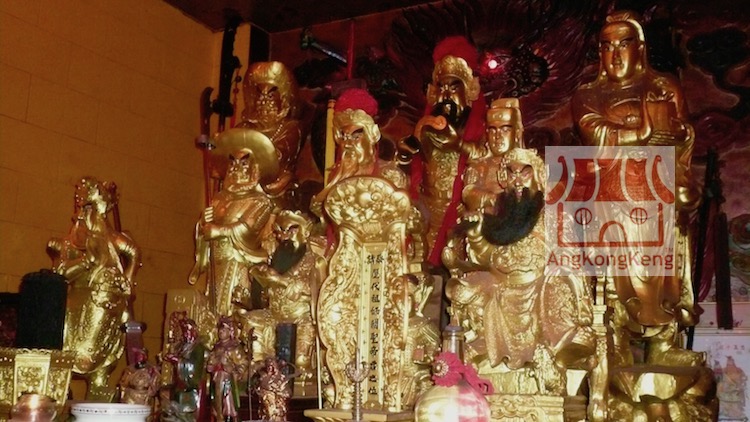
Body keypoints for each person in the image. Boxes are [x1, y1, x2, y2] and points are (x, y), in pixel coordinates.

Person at [571, 11, 715, 421]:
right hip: (612, 199)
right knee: (614, 282)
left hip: (657, 195)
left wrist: (675, 138)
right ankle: (614, 347)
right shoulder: (587, 94)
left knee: (663, 275)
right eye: (606, 46)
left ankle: (664, 343)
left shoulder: (662, 86)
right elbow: (596, 138)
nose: (615, 54)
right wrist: (645, 130)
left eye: (624, 44)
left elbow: (681, 135)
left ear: (640, 49)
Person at [443, 148, 596, 395]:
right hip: (502, 285)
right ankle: (479, 354)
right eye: (511, 173)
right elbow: (487, 258)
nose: (517, 180)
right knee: (468, 288)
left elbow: (569, 257)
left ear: (538, 177)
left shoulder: (553, 214)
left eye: (524, 173)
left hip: (539, 285)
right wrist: (476, 235)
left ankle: (550, 355)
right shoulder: (498, 215)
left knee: (556, 284)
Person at [47, 176, 141, 401]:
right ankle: (58, 405)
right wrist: (84, 263)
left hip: (105, 304)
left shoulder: (112, 237)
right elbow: (60, 272)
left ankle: (95, 409)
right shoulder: (73, 240)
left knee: (100, 367)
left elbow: (133, 252)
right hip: (75, 304)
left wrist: (127, 280)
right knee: (62, 362)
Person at [398, 36, 487, 266]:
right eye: (442, 87)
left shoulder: (482, 127)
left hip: (461, 210)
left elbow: (488, 160)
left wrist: (458, 144)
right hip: (427, 209)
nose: (446, 95)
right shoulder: (427, 128)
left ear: (469, 90)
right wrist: (405, 155)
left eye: (454, 87)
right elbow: (412, 165)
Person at [189, 128, 280, 317]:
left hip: (239, 259)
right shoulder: (219, 198)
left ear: (254, 167)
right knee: (212, 303)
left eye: (243, 163)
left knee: (232, 305)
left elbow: (247, 228)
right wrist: (204, 224)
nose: (237, 168)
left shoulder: (260, 201)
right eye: (233, 162)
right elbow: (206, 230)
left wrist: (219, 231)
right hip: (217, 258)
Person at [236, 210, 326, 387]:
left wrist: (280, 280)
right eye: (279, 231)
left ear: (304, 231)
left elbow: (319, 290)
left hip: (301, 315)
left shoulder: (315, 261)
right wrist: (261, 277)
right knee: (252, 320)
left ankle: (301, 368)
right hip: (275, 313)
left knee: (301, 351)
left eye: (290, 230)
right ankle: (260, 366)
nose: (284, 236)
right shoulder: (279, 256)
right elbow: (265, 292)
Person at [237, 61, 302, 209]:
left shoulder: (289, 128)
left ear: (281, 98)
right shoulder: (243, 128)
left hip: (275, 190)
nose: (264, 100)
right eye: (260, 95)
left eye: (270, 95)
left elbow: (279, 155)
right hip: (242, 189)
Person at [463, 98, 526, 213]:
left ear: (517, 133)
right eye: (493, 130)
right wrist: (493, 199)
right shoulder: (479, 166)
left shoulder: (529, 165)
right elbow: (468, 193)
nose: (497, 136)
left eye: (505, 130)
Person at [164, 317, 209, 419]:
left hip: (193, 385)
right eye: (184, 332)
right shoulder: (182, 346)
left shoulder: (198, 348)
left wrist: (178, 361)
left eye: (188, 331)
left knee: (188, 412)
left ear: (194, 331)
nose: (186, 334)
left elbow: (195, 366)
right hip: (180, 384)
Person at [206, 317, 249, 422]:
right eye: (220, 330)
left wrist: (235, 371)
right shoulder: (216, 347)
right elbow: (210, 361)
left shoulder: (234, 347)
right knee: (216, 402)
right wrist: (210, 366)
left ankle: (229, 416)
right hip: (216, 380)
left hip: (228, 380)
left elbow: (243, 362)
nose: (221, 332)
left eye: (224, 330)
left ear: (230, 332)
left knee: (228, 402)